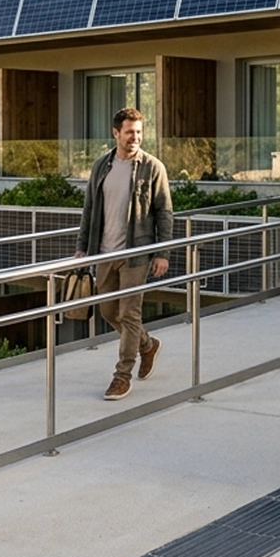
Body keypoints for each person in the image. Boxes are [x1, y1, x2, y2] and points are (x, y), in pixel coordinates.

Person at [76, 107, 174, 401]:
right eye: (130, 132)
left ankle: (122, 376)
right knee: (109, 312)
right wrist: (82, 247)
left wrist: (162, 253)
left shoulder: (152, 167)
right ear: (116, 133)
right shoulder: (101, 166)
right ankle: (147, 345)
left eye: (139, 132)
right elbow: (89, 210)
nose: (135, 137)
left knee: (129, 314)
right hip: (104, 252)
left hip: (136, 253)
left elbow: (164, 212)